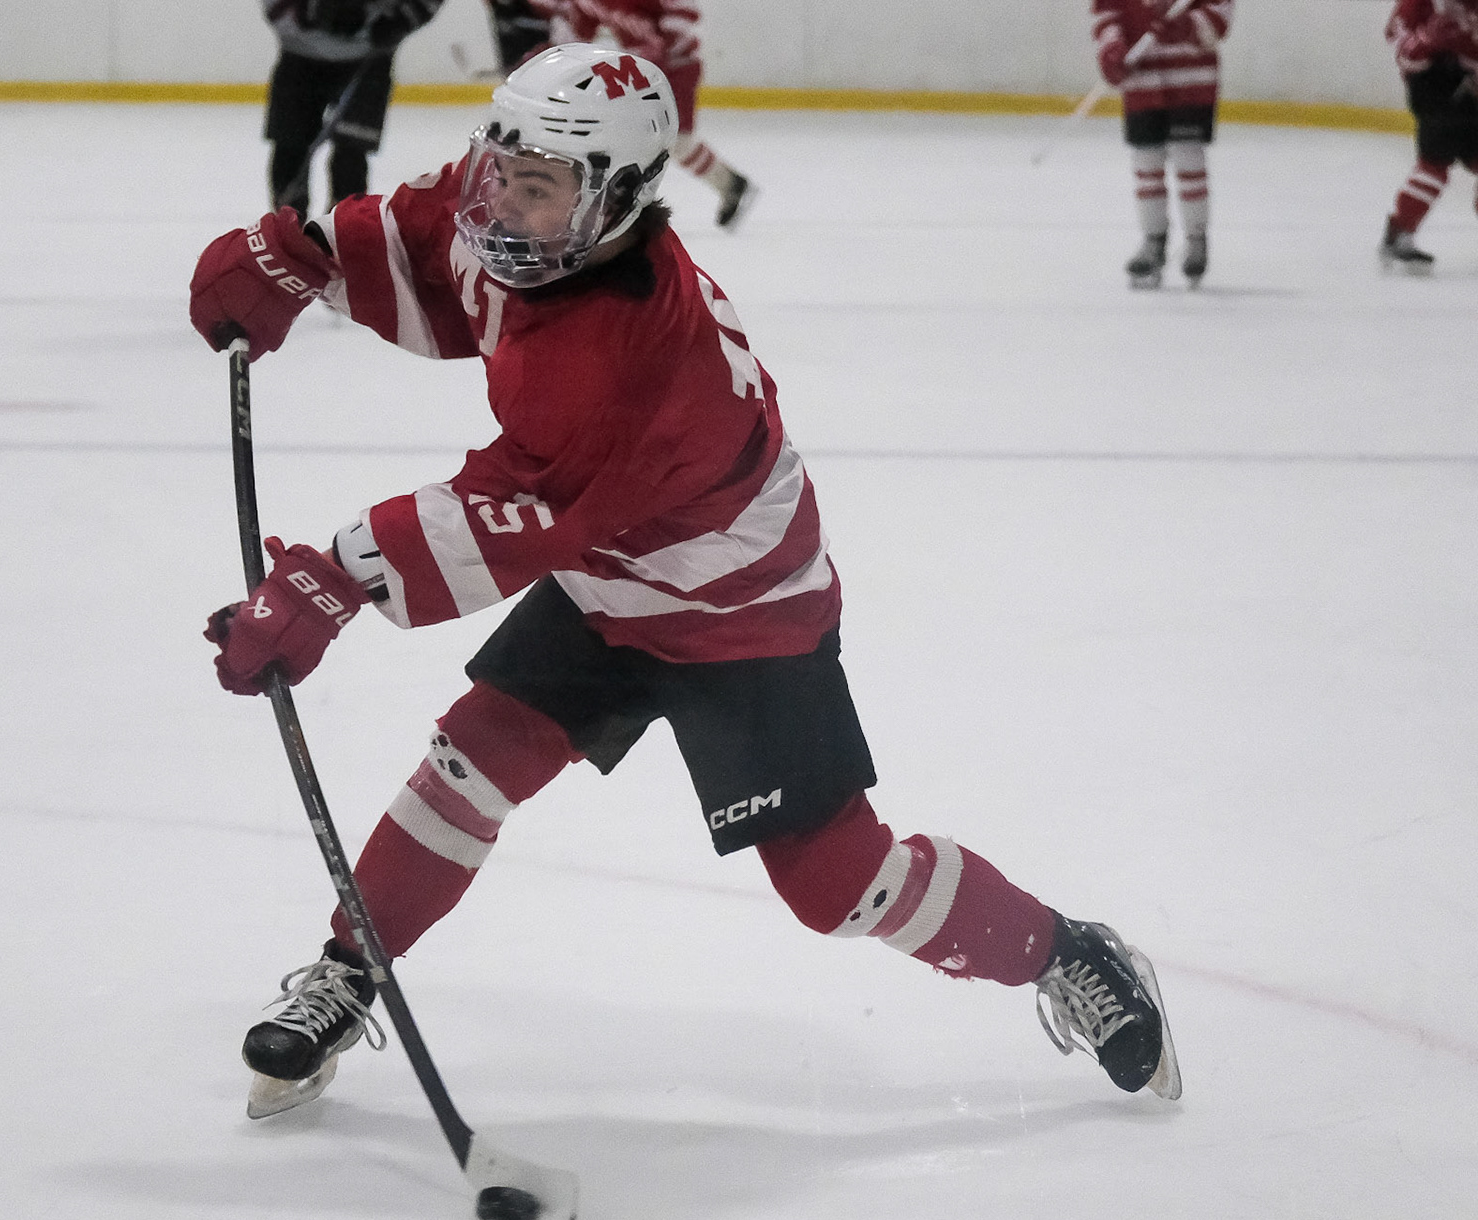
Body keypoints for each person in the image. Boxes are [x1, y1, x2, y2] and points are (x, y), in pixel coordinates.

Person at [188, 44, 1183, 1122]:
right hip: (610, 568)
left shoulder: (630, 352)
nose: (501, 205)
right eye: (499, 169)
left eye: (536, 186)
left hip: (738, 609)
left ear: (613, 197)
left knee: (838, 884)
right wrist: (297, 254)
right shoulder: (533, 221)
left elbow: (511, 510)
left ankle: (1065, 950)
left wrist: (332, 579)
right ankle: (351, 966)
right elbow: (427, 241)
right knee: (470, 761)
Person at [489, 1, 756, 229]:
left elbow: (682, 16)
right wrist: (546, 61)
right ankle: (726, 185)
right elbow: (570, 38)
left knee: (676, 142)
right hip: (637, 72)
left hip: (676, 68)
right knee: (623, 139)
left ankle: (728, 185)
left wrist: (664, 51)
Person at [1092, 0, 1234, 288]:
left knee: (1188, 157)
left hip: (1191, 80)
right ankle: (1153, 239)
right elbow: (1106, 13)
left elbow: (1221, 14)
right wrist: (1112, 49)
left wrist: (1189, 27)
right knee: (1147, 162)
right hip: (1141, 79)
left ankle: (1196, 239)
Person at [261, 0, 446, 218]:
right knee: (290, 146)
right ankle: (288, 232)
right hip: (299, 54)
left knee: (351, 153)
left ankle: (342, 232)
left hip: (369, 55)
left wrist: (403, 19)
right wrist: (307, 12)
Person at [1381, 0, 1478, 273]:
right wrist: (1427, 41)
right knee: (1434, 167)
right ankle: (1399, 233)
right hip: (1435, 91)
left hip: (1469, 94)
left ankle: (1399, 233)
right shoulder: (1418, 5)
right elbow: (1407, 58)